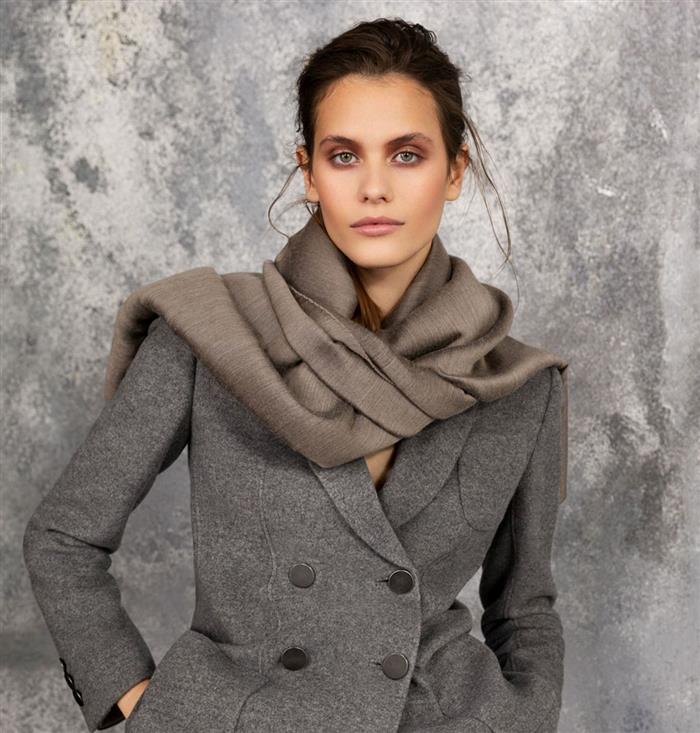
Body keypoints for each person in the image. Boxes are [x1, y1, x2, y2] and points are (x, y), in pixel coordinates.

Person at [23, 17, 570, 733]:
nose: (374, 188)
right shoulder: (212, 336)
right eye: (345, 156)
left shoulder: (520, 386)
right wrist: (142, 702)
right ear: (309, 172)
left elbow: (525, 608)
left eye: (407, 155)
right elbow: (64, 534)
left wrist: (521, 717)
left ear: (455, 171)